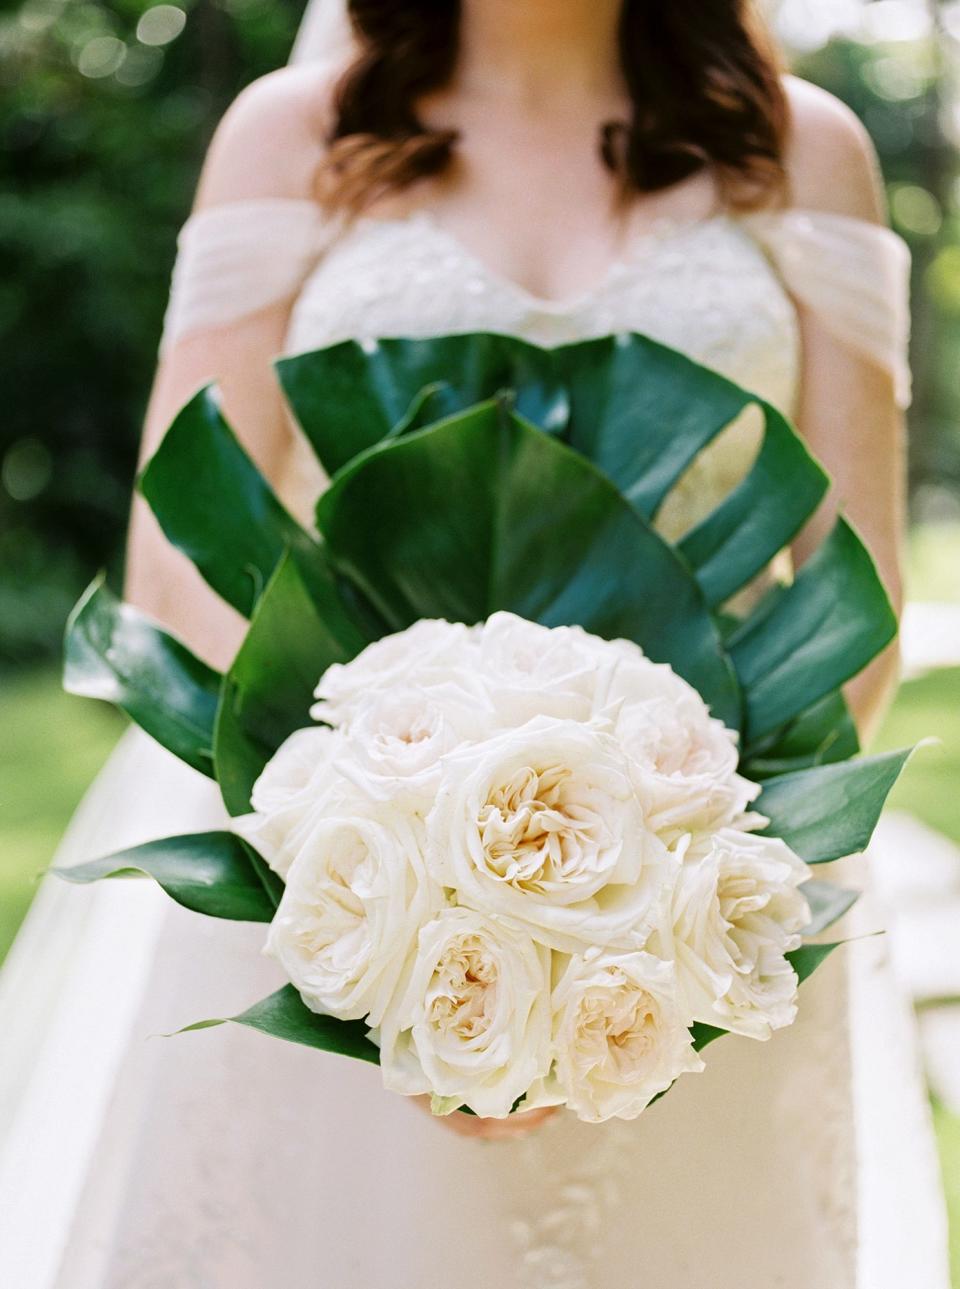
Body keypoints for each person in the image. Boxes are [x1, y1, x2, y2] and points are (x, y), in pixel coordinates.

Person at [0, 2, 949, 1285]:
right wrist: (390, 928)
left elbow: (853, 596)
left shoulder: (801, 149)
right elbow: (183, 556)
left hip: (696, 894)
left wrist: (656, 930)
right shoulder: (292, 136)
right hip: (333, 874)